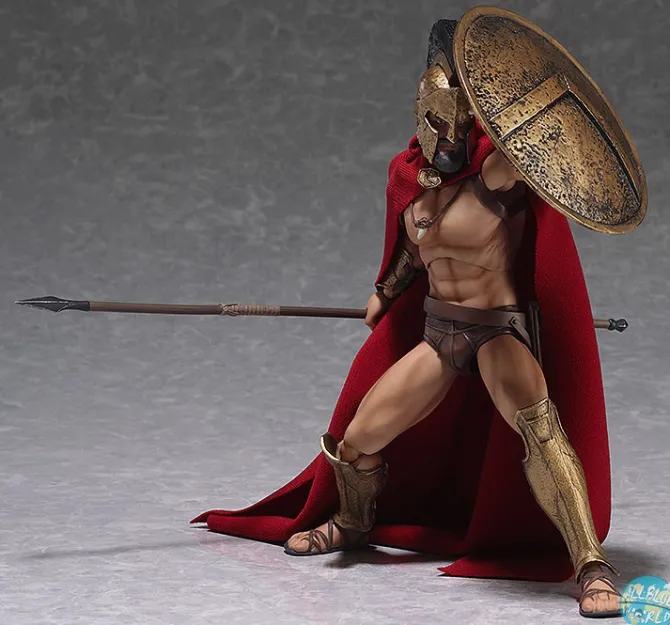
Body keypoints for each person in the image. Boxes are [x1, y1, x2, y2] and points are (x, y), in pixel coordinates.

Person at [194, 15, 645, 619]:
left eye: (457, 119)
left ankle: (590, 563)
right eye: (436, 121)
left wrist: (530, 96)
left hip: (495, 331)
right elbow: (412, 252)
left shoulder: (496, 174)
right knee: (357, 441)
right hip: (439, 336)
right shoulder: (411, 182)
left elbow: (546, 142)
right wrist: (386, 291)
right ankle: (352, 524)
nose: (446, 134)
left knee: (541, 432)